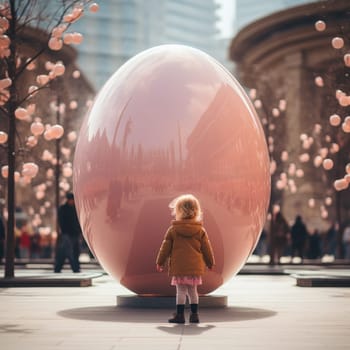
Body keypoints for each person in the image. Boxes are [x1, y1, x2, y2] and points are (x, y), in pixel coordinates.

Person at [156, 194, 215, 324]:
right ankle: (194, 315)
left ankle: (180, 315)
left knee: (181, 291)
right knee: (193, 291)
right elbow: (207, 248)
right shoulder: (200, 230)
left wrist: (160, 262)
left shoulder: (173, 230)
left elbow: (165, 247)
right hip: (194, 268)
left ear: (178, 211)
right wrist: (210, 262)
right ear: (197, 211)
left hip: (179, 267)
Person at [54, 192, 82, 273]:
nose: (72, 202)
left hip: (74, 233)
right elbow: (61, 221)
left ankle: (59, 267)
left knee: (70, 251)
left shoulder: (75, 209)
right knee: (70, 251)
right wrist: (64, 231)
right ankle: (75, 267)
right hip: (67, 233)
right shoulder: (63, 209)